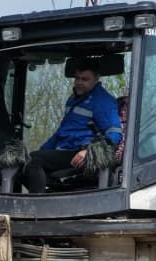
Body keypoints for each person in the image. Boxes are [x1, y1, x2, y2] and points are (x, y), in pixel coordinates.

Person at [19, 59, 123, 193]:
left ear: (96, 79)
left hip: (80, 154)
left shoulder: (103, 101)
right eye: (77, 78)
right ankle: (53, 192)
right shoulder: (73, 99)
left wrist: (90, 152)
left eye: (85, 79)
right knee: (21, 162)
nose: (79, 83)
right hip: (65, 150)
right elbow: (62, 133)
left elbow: (115, 133)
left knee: (33, 162)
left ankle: (36, 204)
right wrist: (43, 151)